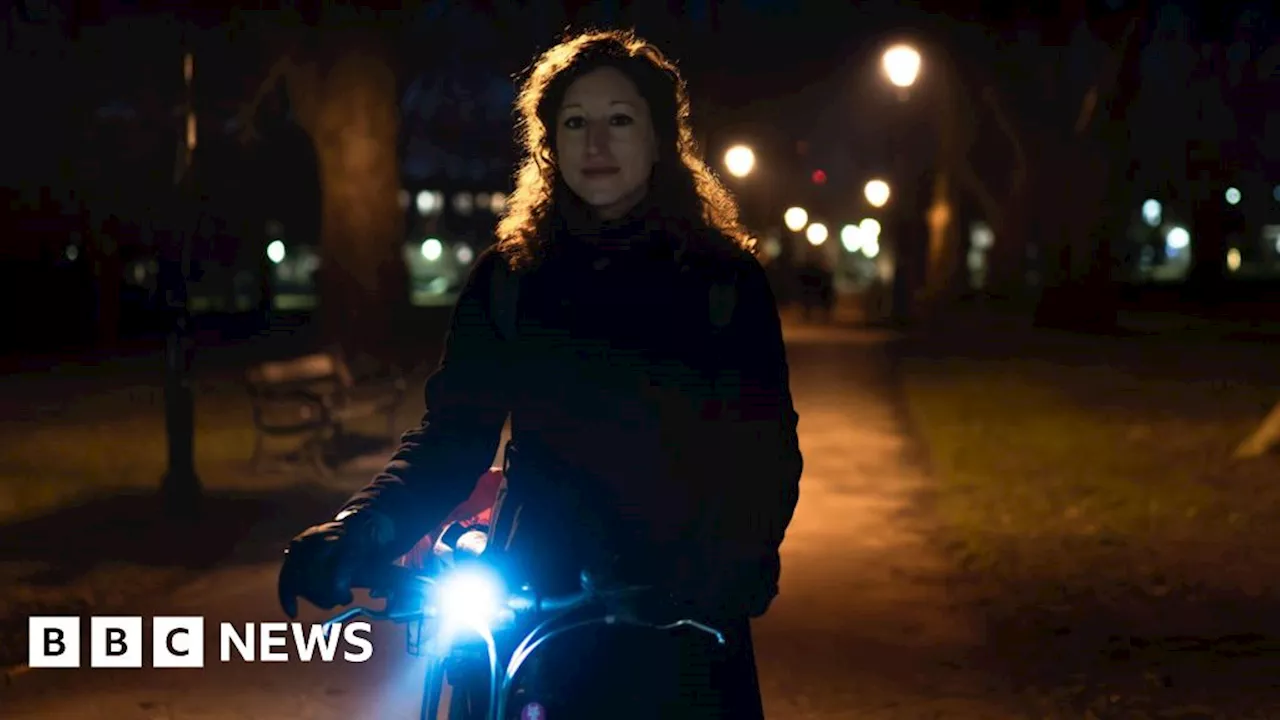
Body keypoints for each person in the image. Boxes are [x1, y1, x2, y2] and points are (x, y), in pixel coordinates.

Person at [277, 28, 803, 718]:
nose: (596, 143)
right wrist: (363, 529)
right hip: (533, 587)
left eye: (620, 120)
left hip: (678, 604)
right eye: (575, 123)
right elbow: (453, 437)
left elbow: (764, 452)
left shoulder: (722, 281)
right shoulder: (511, 280)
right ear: (548, 143)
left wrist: (731, 564)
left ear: (660, 138)